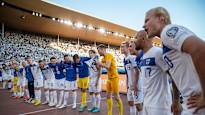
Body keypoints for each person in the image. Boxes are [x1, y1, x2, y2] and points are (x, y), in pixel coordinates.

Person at [142, 7, 205, 114]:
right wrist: (176, 100)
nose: (144, 25)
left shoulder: (167, 32)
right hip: (191, 101)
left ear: (161, 18)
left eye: (147, 20)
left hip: (196, 102)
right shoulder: (167, 42)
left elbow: (200, 49)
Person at [134, 30, 172, 115]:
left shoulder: (158, 52)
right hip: (147, 103)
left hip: (160, 106)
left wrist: (176, 100)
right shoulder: (143, 56)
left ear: (143, 38)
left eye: (136, 38)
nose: (134, 41)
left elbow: (173, 74)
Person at [97, 44, 123, 115]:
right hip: (109, 79)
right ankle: (109, 113)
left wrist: (99, 63)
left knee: (117, 97)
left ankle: (120, 113)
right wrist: (96, 64)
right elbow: (100, 68)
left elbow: (107, 66)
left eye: (99, 50)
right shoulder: (102, 59)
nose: (98, 52)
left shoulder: (109, 55)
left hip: (114, 78)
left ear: (103, 49)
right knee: (108, 96)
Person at [121, 41, 143, 115]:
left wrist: (135, 85)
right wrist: (127, 85)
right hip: (130, 86)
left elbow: (137, 71)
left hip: (136, 85)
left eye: (123, 47)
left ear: (127, 48)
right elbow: (127, 73)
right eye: (121, 46)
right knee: (130, 103)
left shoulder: (133, 57)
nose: (121, 48)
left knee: (138, 106)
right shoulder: (125, 59)